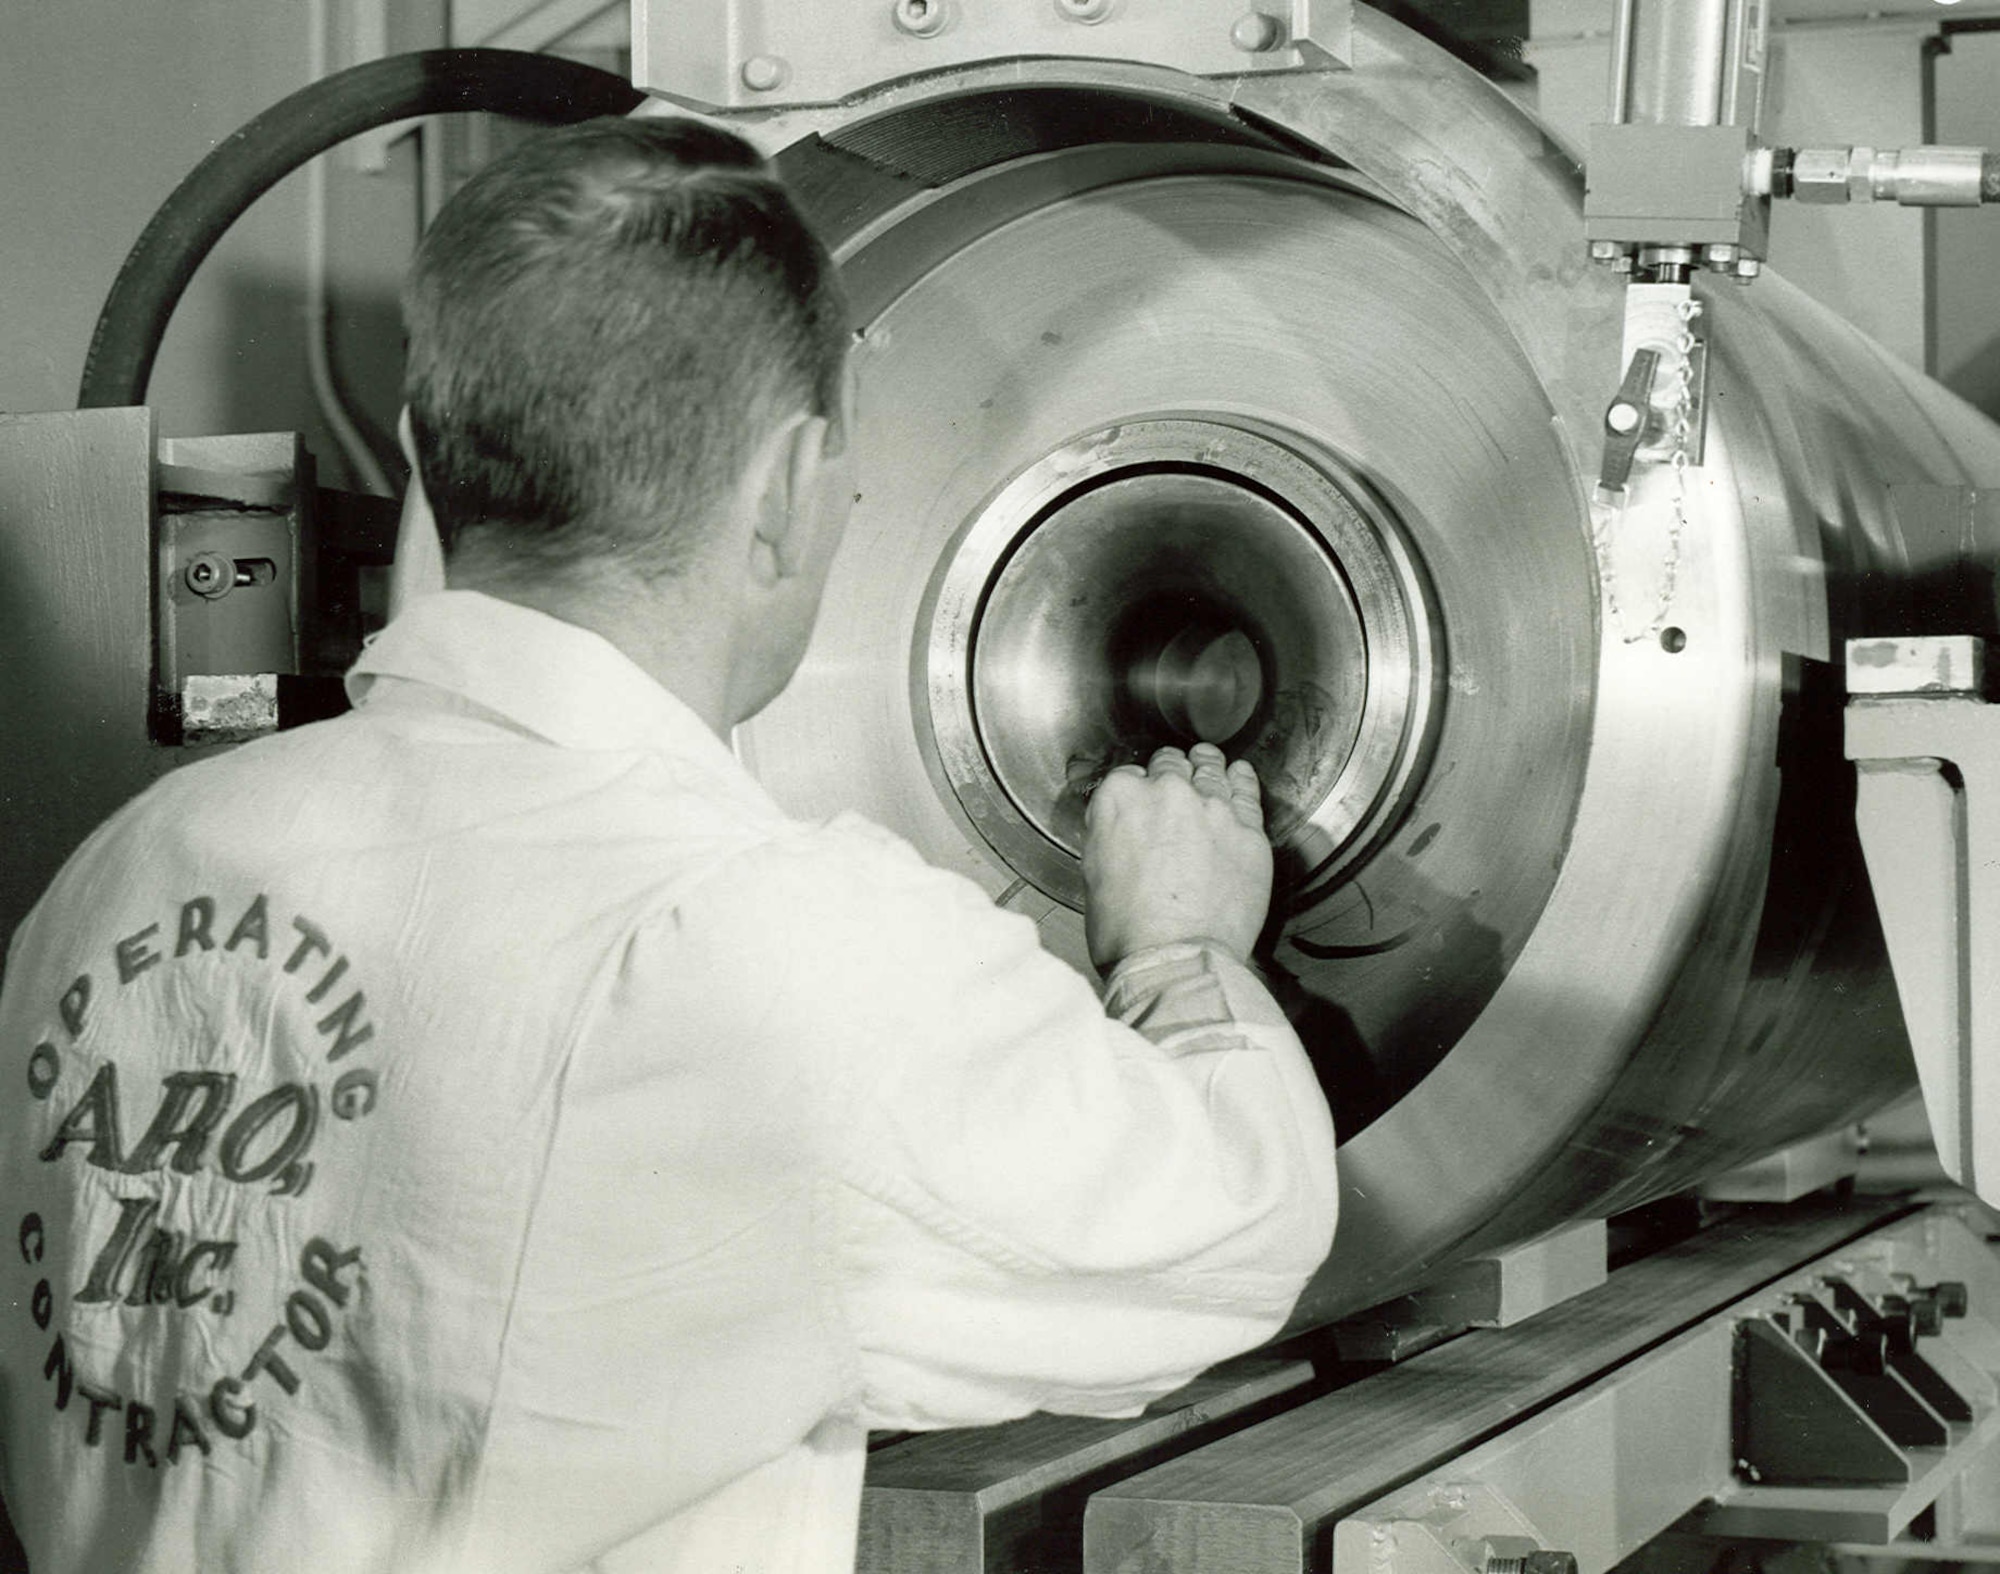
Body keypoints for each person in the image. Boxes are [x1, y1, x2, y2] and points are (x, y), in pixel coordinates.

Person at [0, 117, 1337, 1574]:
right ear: (786, 487)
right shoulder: (759, 939)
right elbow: (1228, 1237)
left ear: (425, 458)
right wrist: (1182, 946)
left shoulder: (123, 871)